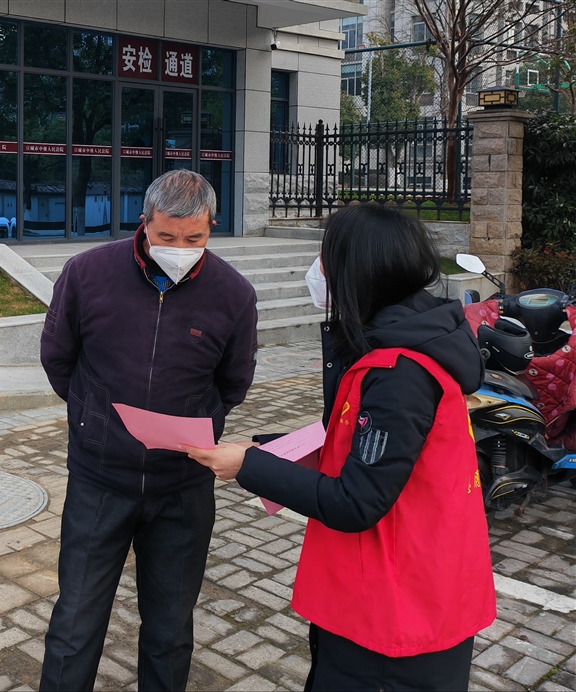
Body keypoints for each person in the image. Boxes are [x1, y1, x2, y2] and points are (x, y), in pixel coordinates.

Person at [185, 204, 496, 691]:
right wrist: (264, 448)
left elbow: (355, 501)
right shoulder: (402, 343)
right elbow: (354, 441)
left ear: (358, 271)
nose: (319, 270)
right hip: (392, 591)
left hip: (395, 616)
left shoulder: (399, 372)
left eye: (326, 259)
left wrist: (248, 466)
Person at [38, 169, 258, 691]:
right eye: (166, 236)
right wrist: (95, 417)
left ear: (211, 226)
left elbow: (233, 382)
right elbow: (59, 358)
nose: (179, 249)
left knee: (170, 628)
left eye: (194, 239)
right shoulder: (87, 273)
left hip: (182, 486)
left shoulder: (233, 293)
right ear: (144, 222)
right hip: (99, 479)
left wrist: (192, 423)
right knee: (76, 621)